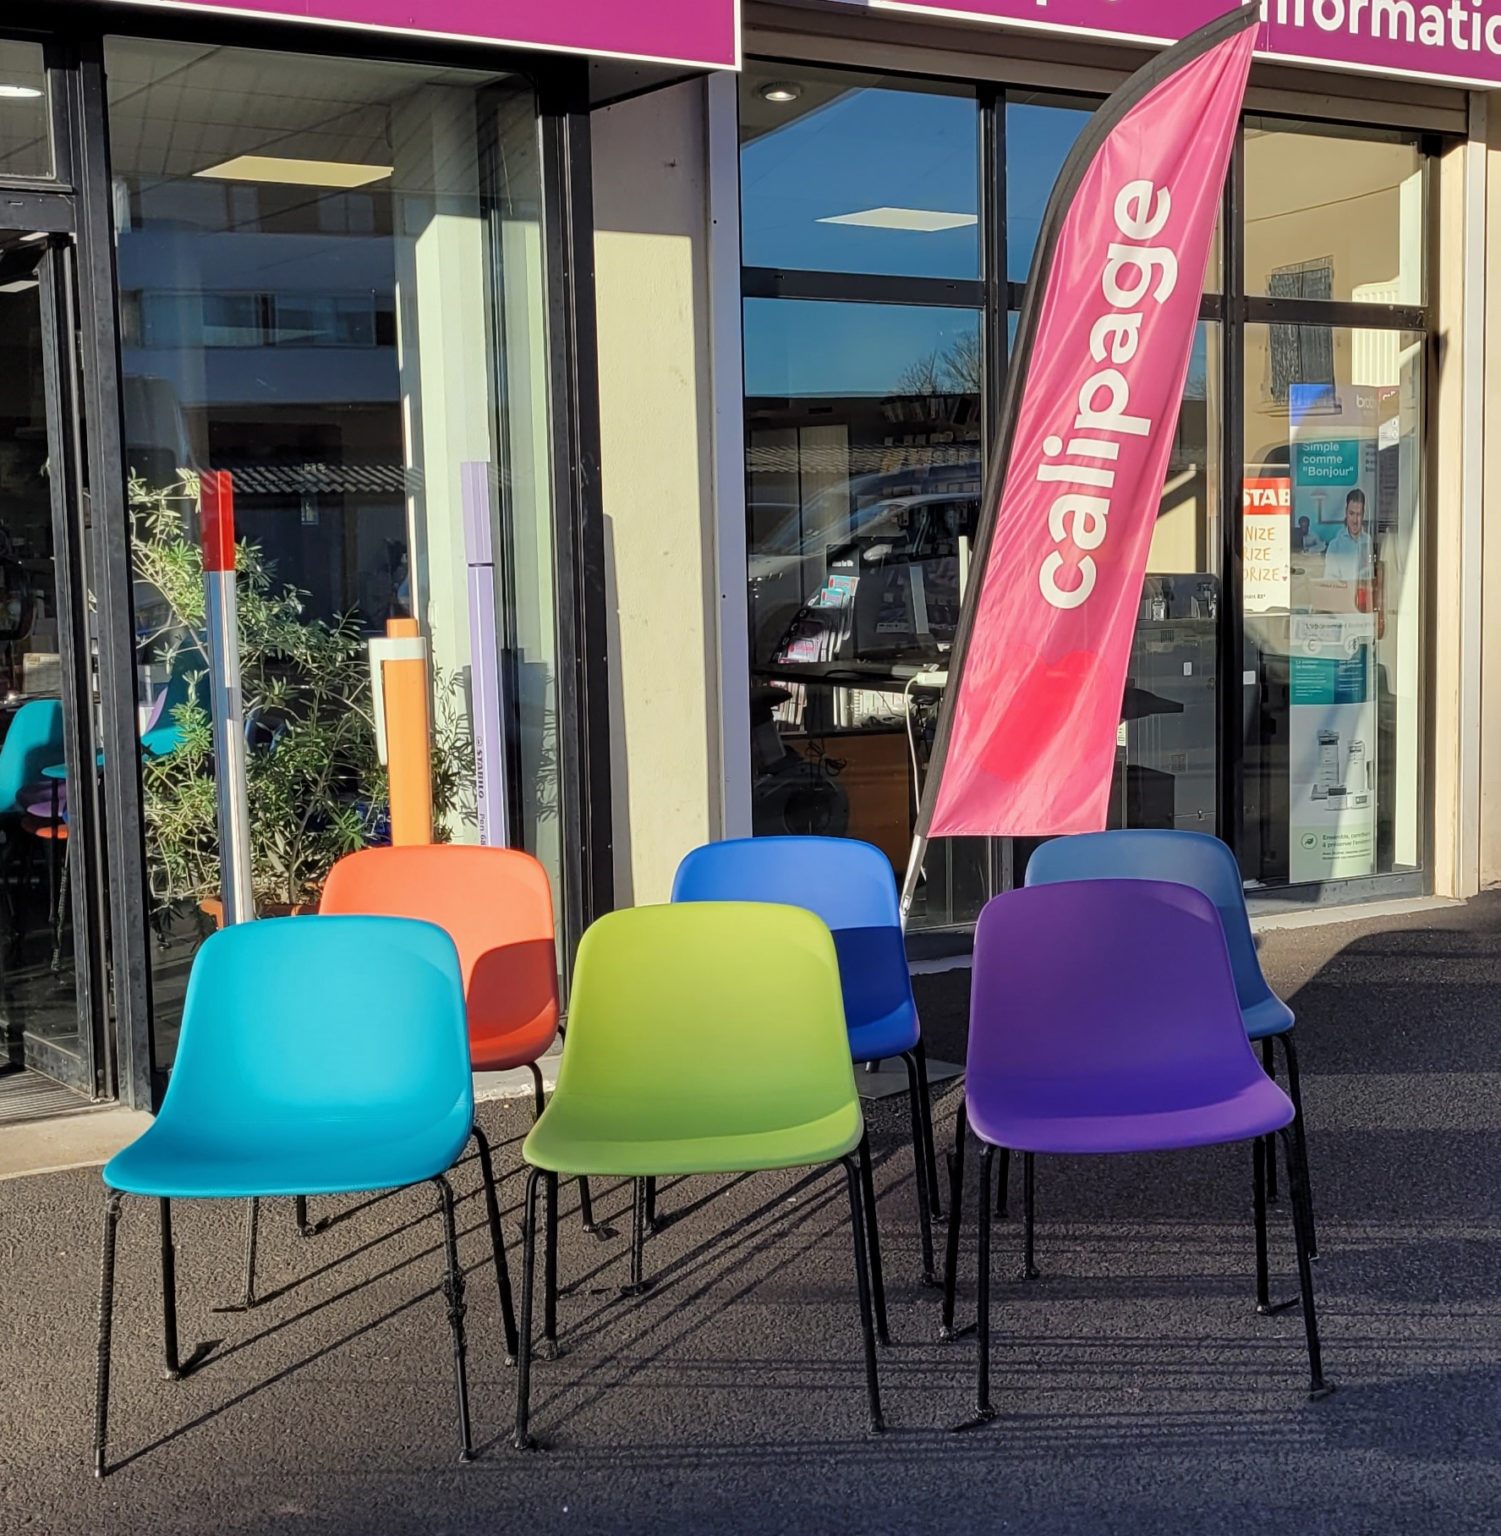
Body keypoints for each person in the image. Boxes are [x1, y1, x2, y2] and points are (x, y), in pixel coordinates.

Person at [1322, 488, 1374, 584]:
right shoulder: (1335, 546)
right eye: (1351, 513)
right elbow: (1330, 582)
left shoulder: (1368, 541)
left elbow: (1369, 573)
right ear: (1346, 512)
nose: (1355, 520)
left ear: (1363, 514)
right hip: (1341, 593)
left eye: (1358, 514)